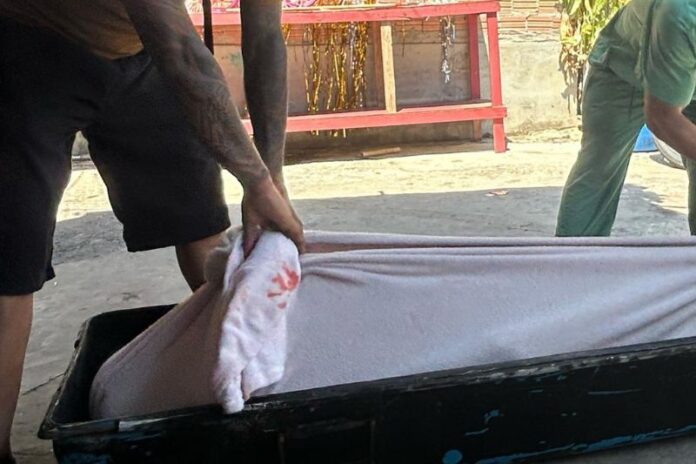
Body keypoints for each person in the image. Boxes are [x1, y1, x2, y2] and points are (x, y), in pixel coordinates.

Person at [0, 1, 305, 462]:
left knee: (203, 224)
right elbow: (182, 52)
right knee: (11, 264)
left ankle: (255, 382)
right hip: (31, 42)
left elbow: (264, 36)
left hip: (140, 52)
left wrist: (271, 175)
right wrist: (256, 181)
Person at [556, 0, 696, 236]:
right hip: (623, 70)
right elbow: (662, 118)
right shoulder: (681, 10)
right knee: (599, 169)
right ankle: (576, 256)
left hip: (685, 67)